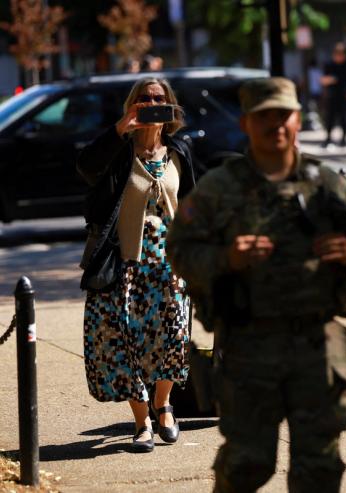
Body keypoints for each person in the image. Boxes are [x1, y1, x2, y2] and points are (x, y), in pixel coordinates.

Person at [166, 77, 346, 492]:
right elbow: (179, 250)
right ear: (246, 123)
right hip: (249, 345)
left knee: (318, 469)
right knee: (246, 464)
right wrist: (226, 258)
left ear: (297, 120)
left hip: (317, 347)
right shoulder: (220, 189)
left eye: (283, 116)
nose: (275, 125)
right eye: (264, 117)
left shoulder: (325, 183)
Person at [77, 77, 196, 453]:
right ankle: (142, 422)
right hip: (125, 264)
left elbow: (195, 202)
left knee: (173, 338)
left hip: (170, 265)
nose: (150, 103)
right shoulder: (117, 149)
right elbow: (84, 166)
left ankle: (164, 405)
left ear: (170, 108)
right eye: (143, 98)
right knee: (125, 344)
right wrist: (119, 129)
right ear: (133, 104)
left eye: (157, 99)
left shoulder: (179, 151)